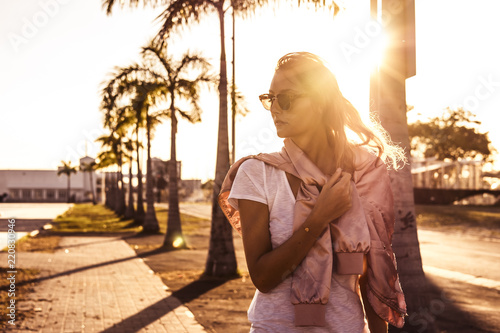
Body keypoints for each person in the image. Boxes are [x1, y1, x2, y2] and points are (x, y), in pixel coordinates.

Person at [218, 52, 407, 332]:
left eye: (286, 98)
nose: (274, 108)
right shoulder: (257, 172)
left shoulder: (364, 171)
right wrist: (318, 219)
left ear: (319, 103)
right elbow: (263, 276)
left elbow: (374, 272)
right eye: (270, 98)